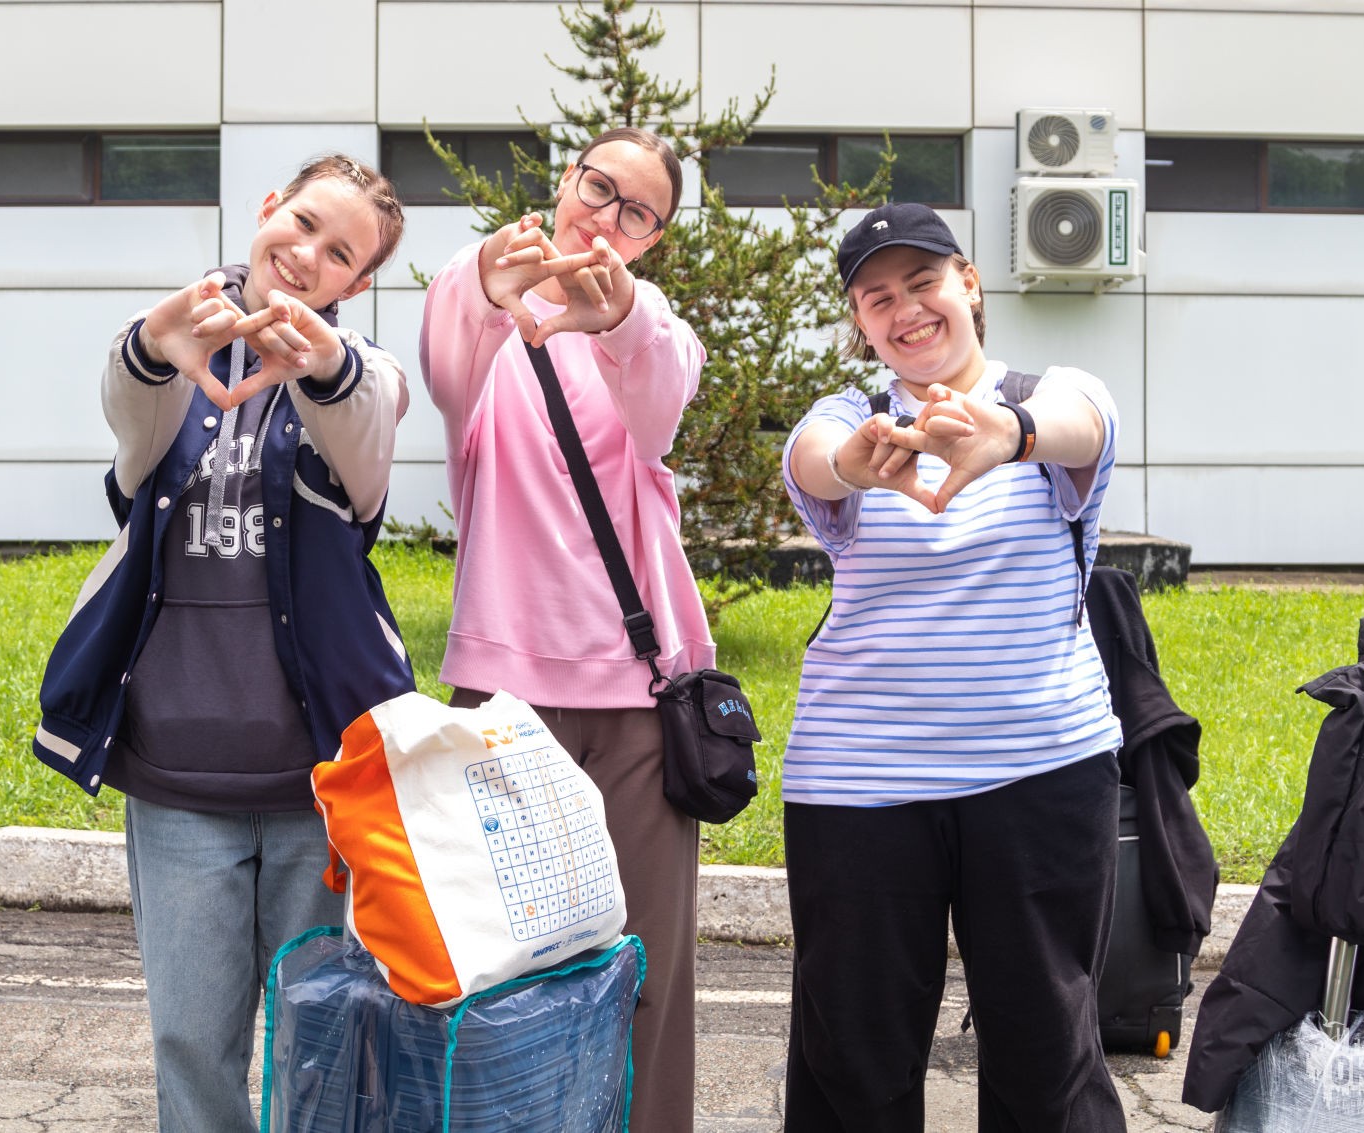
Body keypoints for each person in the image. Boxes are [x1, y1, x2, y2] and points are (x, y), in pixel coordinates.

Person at [33, 154, 416, 1133]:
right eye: (302, 222)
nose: (309, 254)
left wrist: (324, 360)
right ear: (266, 208)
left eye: (341, 253)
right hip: (176, 775)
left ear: (359, 281)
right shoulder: (177, 347)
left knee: (320, 1046)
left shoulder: (360, 379)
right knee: (192, 1044)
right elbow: (131, 408)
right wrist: (151, 342)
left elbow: (369, 412)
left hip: (320, 784)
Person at [780, 201, 1126, 1132]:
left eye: (923, 282)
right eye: (877, 297)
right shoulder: (850, 419)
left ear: (968, 283)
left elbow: (1086, 424)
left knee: (1046, 1050)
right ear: (861, 322)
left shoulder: (1049, 397)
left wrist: (1008, 432)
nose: (906, 310)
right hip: (859, 784)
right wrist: (856, 463)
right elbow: (812, 464)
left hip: (1041, 770)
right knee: (852, 1057)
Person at [419, 126, 712, 1133]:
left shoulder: (651, 329)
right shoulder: (485, 316)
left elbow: (659, 397)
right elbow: (446, 342)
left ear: (652, 238)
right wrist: (488, 280)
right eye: (597, 187)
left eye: (638, 211)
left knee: (645, 970)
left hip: (639, 700)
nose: (606, 216)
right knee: (498, 972)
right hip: (502, 697)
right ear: (564, 182)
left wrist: (619, 312)